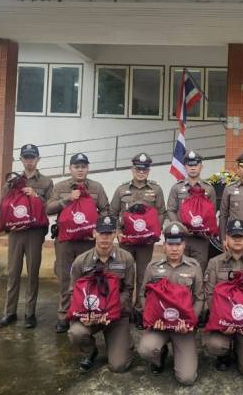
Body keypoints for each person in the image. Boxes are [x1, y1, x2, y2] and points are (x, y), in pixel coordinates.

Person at [46, 153, 110, 334]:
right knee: (65, 277)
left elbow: (105, 210)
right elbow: (48, 209)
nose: (80, 170)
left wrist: (98, 229)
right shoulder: (60, 187)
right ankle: (63, 315)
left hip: (88, 242)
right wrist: (67, 199)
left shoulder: (96, 187)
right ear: (70, 168)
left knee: (88, 276)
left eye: (83, 166)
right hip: (65, 242)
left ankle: (84, 311)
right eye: (76, 167)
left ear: (87, 168)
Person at [137, 222, 204, 386]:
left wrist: (190, 322)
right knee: (146, 350)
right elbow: (142, 294)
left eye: (178, 244)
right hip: (159, 325)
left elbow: (199, 298)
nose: (174, 249)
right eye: (170, 244)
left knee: (187, 378)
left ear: (184, 245)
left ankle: (180, 354)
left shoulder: (194, 267)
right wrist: (152, 318)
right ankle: (160, 354)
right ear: (164, 245)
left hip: (182, 327)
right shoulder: (153, 267)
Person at [0, 144, 53, 329]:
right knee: (13, 272)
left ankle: (30, 313)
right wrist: (9, 222)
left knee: (33, 273)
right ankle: (9, 312)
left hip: (35, 233)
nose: (29, 160)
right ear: (21, 159)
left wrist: (36, 196)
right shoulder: (11, 182)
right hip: (16, 234)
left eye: (32, 157)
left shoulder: (46, 182)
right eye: (26, 157)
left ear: (38, 159)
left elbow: (51, 207)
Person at [67, 215, 135, 373]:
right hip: (90, 314)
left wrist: (109, 311)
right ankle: (90, 351)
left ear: (115, 234)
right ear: (94, 233)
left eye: (109, 233)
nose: (105, 237)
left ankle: (125, 343)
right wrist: (84, 314)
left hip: (117, 316)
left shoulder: (126, 259)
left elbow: (128, 291)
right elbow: (73, 292)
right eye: (101, 233)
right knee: (76, 333)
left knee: (118, 366)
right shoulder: (81, 261)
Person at [202, 220, 243, 378]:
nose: (237, 240)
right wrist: (221, 320)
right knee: (214, 345)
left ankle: (240, 348)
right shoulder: (214, 263)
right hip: (223, 324)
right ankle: (224, 354)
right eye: (233, 236)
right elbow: (209, 295)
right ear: (226, 238)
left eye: (241, 237)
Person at [110, 153, 167, 327]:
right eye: (138, 169)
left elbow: (162, 212)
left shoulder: (156, 190)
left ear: (148, 170)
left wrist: (155, 230)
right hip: (126, 241)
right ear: (132, 169)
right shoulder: (121, 190)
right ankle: (124, 310)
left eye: (144, 169)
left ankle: (141, 310)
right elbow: (112, 212)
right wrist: (117, 231)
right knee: (125, 274)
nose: (141, 172)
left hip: (145, 243)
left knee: (143, 276)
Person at [167, 150, 217, 272]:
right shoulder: (177, 188)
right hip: (181, 238)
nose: (193, 168)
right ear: (185, 167)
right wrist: (179, 227)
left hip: (201, 239)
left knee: (199, 270)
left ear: (201, 166)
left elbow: (212, 212)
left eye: (196, 165)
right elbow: (171, 210)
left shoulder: (209, 189)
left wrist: (203, 228)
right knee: (179, 270)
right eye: (190, 165)